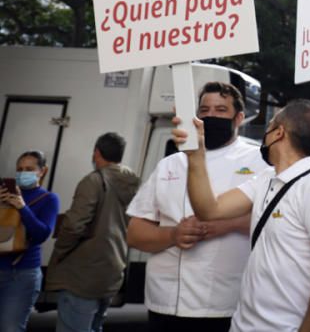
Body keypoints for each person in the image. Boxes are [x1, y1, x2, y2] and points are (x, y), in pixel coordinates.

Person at [174, 98, 310, 332]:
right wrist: (196, 155)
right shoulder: (266, 178)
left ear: (279, 133)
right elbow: (209, 209)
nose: (265, 134)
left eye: (269, 127)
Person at [126, 82, 266, 332]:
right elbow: (135, 233)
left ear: (239, 118)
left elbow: (275, 223)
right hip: (164, 302)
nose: (211, 116)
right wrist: (172, 234)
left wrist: (226, 225)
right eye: (204, 110)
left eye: (221, 110)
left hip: (225, 304)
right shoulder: (170, 164)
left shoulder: (259, 161)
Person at [47, 133, 140, 332]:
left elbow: (74, 225)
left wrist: (60, 251)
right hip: (111, 270)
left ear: (97, 152)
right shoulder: (131, 182)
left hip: (83, 274)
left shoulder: (93, 181)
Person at [0, 150, 60, 332]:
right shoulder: (5, 194)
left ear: (42, 171)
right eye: (19, 169)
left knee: (10, 327)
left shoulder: (49, 199)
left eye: (29, 169)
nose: (23, 173)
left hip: (22, 273)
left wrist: (22, 208)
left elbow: (41, 234)